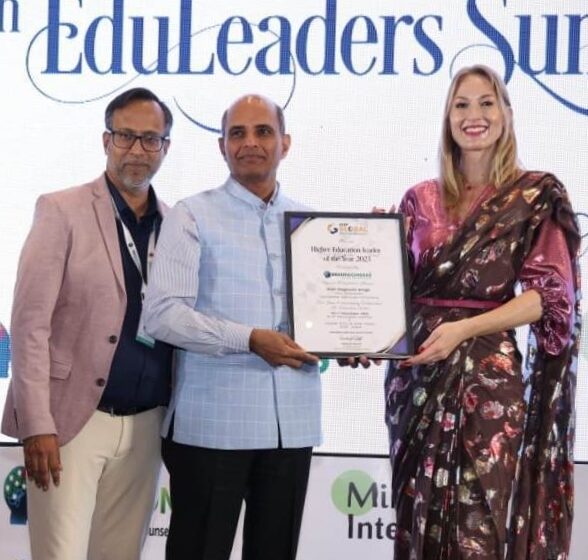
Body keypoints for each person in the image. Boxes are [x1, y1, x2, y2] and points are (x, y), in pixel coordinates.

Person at [384, 65, 580, 559]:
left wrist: (465, 329)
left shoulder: (535, 195)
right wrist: (366, 263)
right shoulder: (419, 199)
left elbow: (549, 296)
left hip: (490, 381)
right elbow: (389, 292)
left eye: (486, 102)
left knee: (481, 528)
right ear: (447, 118)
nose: (474, 115)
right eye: (461, 104)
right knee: (417, 520)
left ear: (506, 113)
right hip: (418, 381)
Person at [143, 94, 321, 560]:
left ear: (285, 143)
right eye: (237, 133)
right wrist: (248, 339)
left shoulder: (312, 226)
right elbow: (162, 314)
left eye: (263, 131)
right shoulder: (191, 214)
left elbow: (326, 316)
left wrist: (356, 343)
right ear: (221, 146)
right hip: (212, 428)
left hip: (291, 426)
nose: (250, 143)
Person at [1, 87, 174, 560]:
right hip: (70, 422)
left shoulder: (176, 225)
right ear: (105, 141)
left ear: (165, 147)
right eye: (125, 136)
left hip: (147, 425)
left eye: (150, 139)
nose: (137, 149)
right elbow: (29, 325)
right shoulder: (61, 211)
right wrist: (37, 423)